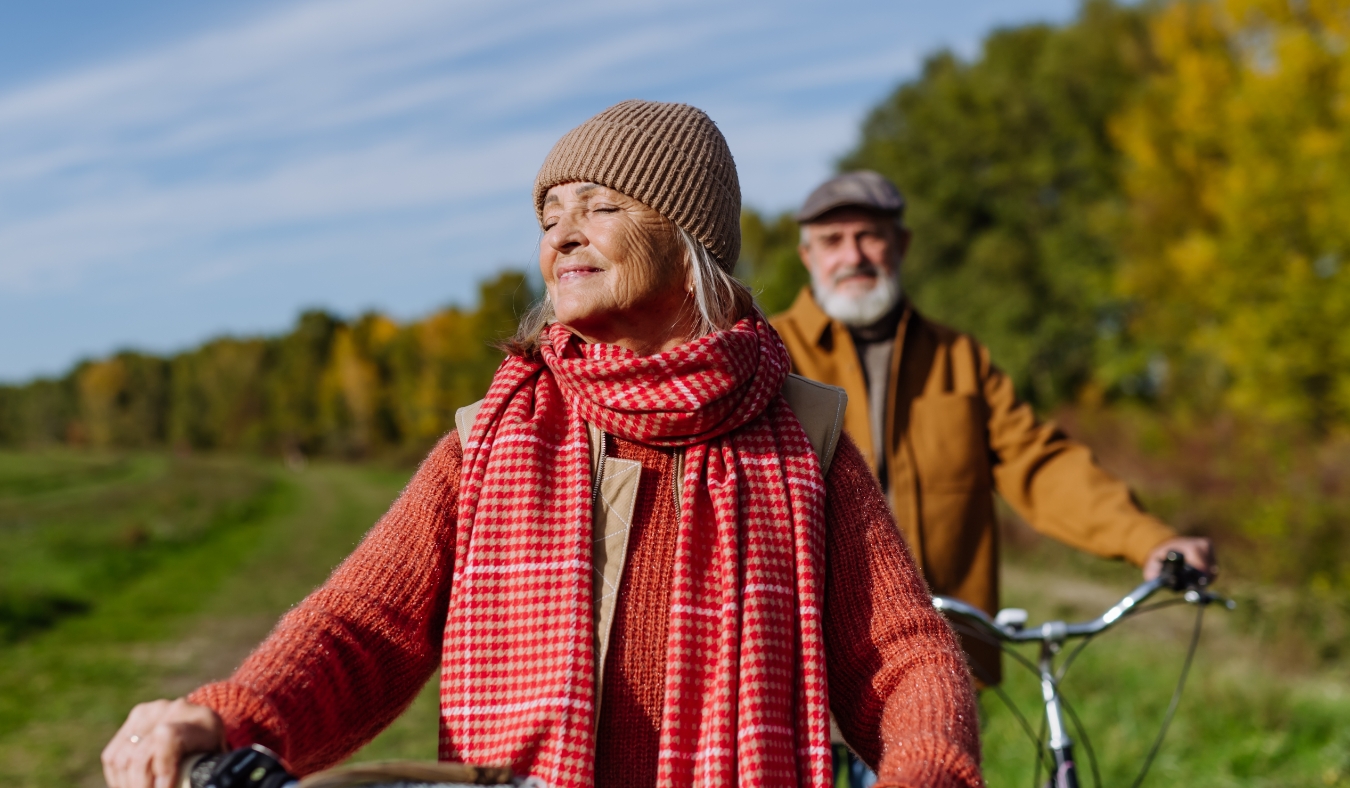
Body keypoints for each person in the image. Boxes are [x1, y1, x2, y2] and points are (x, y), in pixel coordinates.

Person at [101, 102, 984, 788]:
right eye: (549, 213)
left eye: (601, 206)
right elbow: (365, 623)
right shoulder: (492, 436)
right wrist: (229, 714)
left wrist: (927, 769)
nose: (562, 232)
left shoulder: (803, 433)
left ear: (691, 245)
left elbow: (901, 654)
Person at [771, 170, 1216, 685]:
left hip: (937, 661)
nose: (853, 256)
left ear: (902, 243)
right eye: (832, 241)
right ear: (808, 257)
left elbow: (1040, 464)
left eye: (869, 235)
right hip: (802, 668)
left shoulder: (957, 357)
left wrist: (1150, 540)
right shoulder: (769, 352)